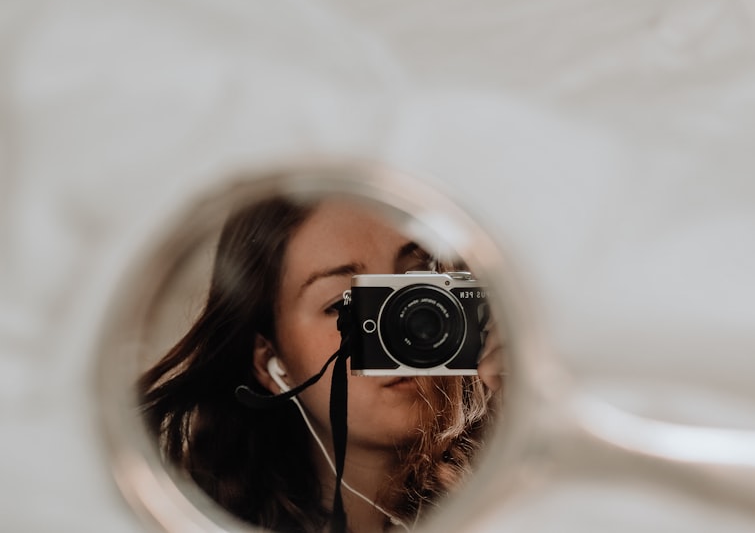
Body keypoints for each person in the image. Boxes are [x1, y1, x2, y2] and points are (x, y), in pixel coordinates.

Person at [139, 195, 502, 532]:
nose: (403, 323)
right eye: (343, 305)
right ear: (271, 364)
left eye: (416, 279)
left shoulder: (516, 483)